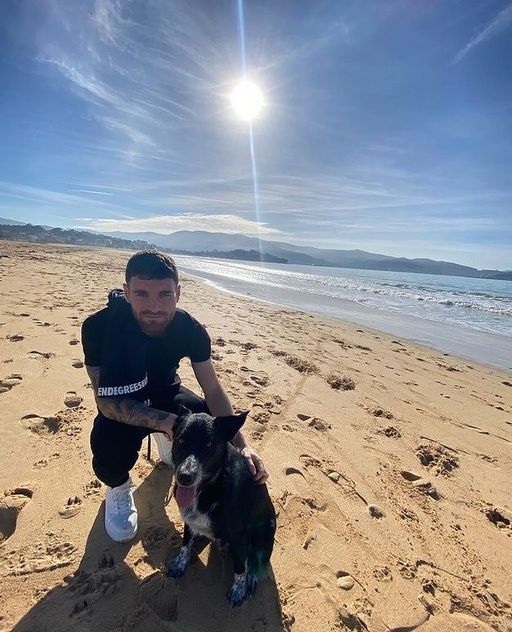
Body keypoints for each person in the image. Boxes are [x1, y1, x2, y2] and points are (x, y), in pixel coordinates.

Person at [81, 250, 268, 543]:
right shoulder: (98, 327)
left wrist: (243, 446)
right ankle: (118, 486)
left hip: (166, 391)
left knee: (203, 417)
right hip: (123, 398)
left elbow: (213, 389)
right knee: (107, 442)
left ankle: (167, 440)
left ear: (178, 293)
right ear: (127, 292)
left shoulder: (190, 329)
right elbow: (106, 403)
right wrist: (169, 422)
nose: (154, 306)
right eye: (142, 294)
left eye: (164, 295)